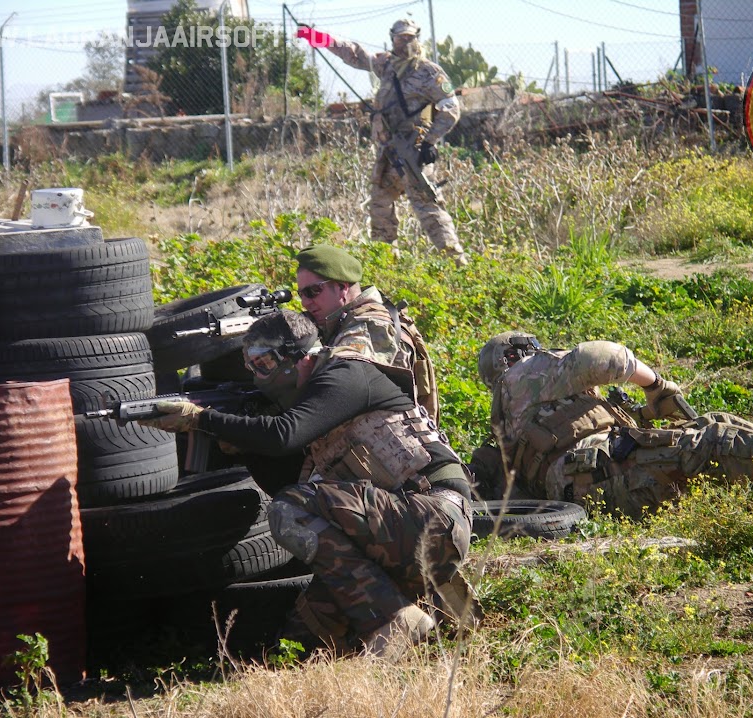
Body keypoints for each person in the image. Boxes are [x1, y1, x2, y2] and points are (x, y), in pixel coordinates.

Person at [139, 309, 474, 659]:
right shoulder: (316, 407)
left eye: (264, 363)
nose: (257, 376)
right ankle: (434, 614)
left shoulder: (345, 374)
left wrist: (202, 418)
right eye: (250, 365)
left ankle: (397, 616)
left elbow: (285, 440)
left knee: (289, 510)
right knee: (306, 640)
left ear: (297, 356)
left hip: (434, 515)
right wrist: (245, 446)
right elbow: (291, 480)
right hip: (392, 529)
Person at [471, 332, 753, 519]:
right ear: (516, 356)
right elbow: (606, 358)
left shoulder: (518, 415)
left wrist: (650, 414)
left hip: (603, 480)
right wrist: (658, 385)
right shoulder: (521, 377)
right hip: (607, 473)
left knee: (717, 425)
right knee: (713, 439)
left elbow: (608, 430)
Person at [296, 19, 468, 265]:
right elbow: (354, 53)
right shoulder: (386, 64)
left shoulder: (429, 72)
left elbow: (450, 107)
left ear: (417, 38)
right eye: (401, 38)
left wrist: (430, 142)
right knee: (379, 204)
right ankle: (385, 262)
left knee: (428, 208)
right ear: (392, 39)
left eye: (410, 38)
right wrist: (317, 38)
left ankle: (457, 263)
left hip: (414, 152)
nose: (405, 42)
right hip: (389, 153)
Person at [295, 243, 440, 423]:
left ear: (342, 287)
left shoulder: (371, 325)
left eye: (312, 291)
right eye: (301, 294)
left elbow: (343, 378)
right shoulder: (346, 320)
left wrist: (308, 369)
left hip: (389, 444)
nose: (305, 302)